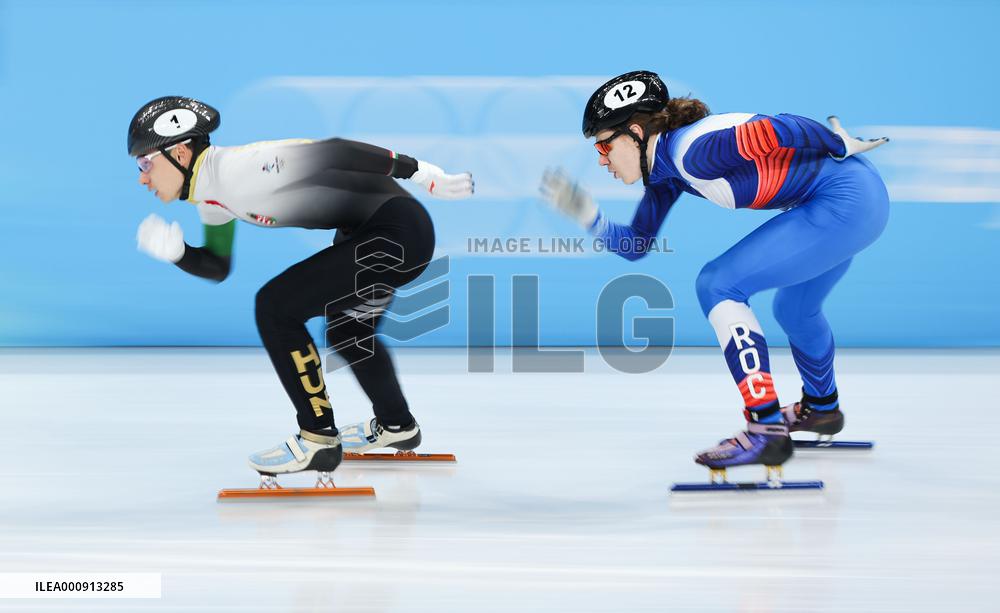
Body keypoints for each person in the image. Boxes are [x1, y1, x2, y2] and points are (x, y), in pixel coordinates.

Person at [540, 71, 889, 474]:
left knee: (717, 284)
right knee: (795, 310)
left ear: (635, 132)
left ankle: (765, 429)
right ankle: (822, 409)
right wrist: (590, 217)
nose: (601, 159)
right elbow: (637, 245)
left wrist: (835, 142)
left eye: (604, 144)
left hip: (842, 199)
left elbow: (776, 129)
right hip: (855, 199)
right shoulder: (665, 172)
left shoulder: (695, 152)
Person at [129, 96, 473, 480]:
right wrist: (179, 253)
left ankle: (318, 438)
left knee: (276, 306)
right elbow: (217, 266)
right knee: (347, 332)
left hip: (396, 232)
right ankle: (398, 426)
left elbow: (338, 152)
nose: (142, 177)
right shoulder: (211, 198)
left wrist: (421, 172)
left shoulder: (241, 169)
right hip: (371, 232)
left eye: (146, 163)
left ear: (179, 151)